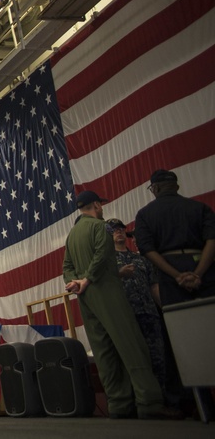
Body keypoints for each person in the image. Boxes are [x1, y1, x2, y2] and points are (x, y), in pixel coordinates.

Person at [62, 190, 179, 420]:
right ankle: (149, 402)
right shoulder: (99, 227)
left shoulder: (72, 235)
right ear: (96, 205)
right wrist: (88, 278)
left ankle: (118, 404)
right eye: (100, 204)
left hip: (86, 298)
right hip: (107, 291)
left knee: (104, 351)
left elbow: (66, 266)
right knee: (132, 345)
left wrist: (75, 282)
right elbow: (104, 256)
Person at [107, 219, 171, 404]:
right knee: (133, 362)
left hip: (149, 315)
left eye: (121, 229)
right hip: (126, 317)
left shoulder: (140, 259)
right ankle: (139, 402)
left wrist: (164, 309)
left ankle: (162, 402)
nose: (118, 232)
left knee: (157, 359)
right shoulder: (107, 262)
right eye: (114, 230)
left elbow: (154, 287)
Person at [132, 169, 215, 305]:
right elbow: (212, 241)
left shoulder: (144, 214)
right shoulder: (201, 208)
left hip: (169, 270)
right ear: (176, 187)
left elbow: (147, 249)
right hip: (203, 266)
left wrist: (177, 276)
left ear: (155, 188)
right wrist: (198, 274)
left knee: (179, 320)